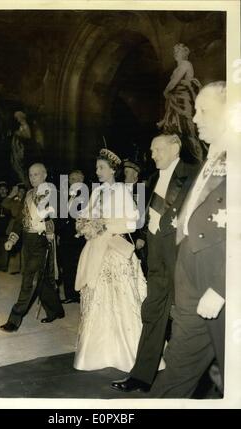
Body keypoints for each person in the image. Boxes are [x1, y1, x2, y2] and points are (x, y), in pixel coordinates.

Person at [147, 81, 227, 398]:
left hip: (220, 280)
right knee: (178, 367)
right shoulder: (213, 157)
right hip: (191, 279)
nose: (195, 119)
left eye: (204, 111)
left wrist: (223, 287)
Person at [111, 134, 200, 392]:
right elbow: (147, 216)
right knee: (153, 313)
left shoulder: (193, 173)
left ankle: (197, 382)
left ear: (175, 148)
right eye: (151, 150)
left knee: (188, 320)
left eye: (157, 150)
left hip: (181, 259)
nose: (153, 155)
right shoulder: (152, 179)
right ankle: (141, 375)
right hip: (157, 258)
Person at [73, 149, 147, 372]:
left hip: (115, 249)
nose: (97, 172)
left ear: (113, 169)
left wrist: (106, 225)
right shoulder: (95, 193)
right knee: (96, 298)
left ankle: (126, 352)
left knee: (120, 298)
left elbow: (134, 223)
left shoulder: (122, 191)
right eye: (96, 168)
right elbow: (84, 215)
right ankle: (97, 352)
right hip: (96, 249)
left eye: (101, 168)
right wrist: (85, 225)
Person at [0, 163, 64, 333]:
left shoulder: (53, 194)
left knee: (29, 279)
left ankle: (14, 319)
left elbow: (59, 217)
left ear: (44, 175)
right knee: (41, 280)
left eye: (36, 174)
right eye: (30, 175)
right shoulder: (28, 194)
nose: (33, 177)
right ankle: (56, 310)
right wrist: (12, 239)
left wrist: (48, 228)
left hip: (42, 240)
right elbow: (20, 221)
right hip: (27, 241)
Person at [157, 43, 203, 161]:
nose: (175, 53)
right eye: (174, 51)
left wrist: (166, 91)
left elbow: (175, 82)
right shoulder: (178, 67)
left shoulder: (186, 64)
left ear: (184, 53)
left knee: (186, 126)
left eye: (178, 51)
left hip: (183, 100)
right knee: (174, 127)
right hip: (175, 100)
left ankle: (195, 156)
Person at [56, 170, 86, 304]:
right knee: (67, 266)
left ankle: (81, 294)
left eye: (76, 179)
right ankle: (70, 294)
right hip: (65, 237)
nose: (73, 182)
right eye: (71, 179)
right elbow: (61, 217)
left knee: (79, 265)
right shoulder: (65, 196)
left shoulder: (86, 196)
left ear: (82, 180)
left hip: (79, 237)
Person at [123, 158, 148, 275]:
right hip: (122, 236)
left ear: (135, 173)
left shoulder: (142, 190)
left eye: (127, 171)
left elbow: (145, 214)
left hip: (136, 237)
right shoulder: (119, 189)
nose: (124, 174)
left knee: (138, 269)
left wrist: (142, 236)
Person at [2, 182, 26, 274]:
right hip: (14, 225)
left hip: (24, 226)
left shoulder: (27, 201)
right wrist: (12, 194)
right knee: (13, 247)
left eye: (23, 192)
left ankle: (23, 269)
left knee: (23, 248)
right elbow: (4, 204)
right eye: (20, 191)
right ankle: (13, 268)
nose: (22, 193)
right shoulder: (14, 201)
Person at [10, 111, 31, 186]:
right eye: (16, 118)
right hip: (16, 149)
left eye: (18, 117)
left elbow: (28, 136)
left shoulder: (25, 125)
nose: (17, 119)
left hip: (21, 149)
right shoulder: (19, 126)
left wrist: (19, 134)